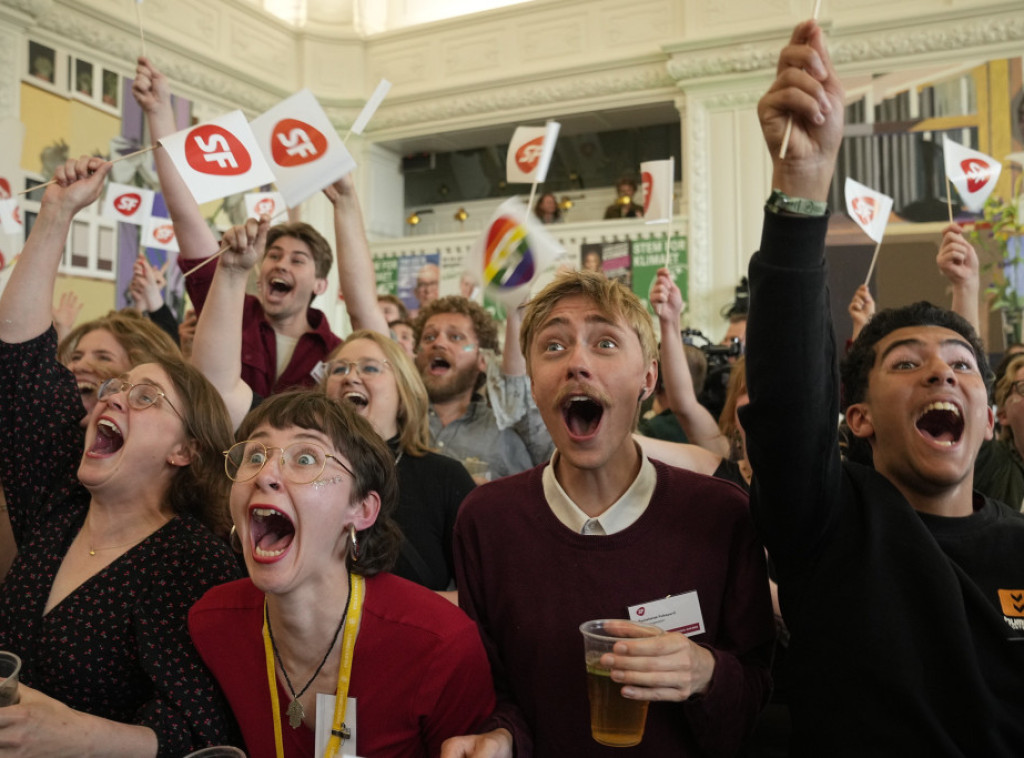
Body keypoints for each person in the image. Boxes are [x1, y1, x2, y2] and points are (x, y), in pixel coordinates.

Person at [745, 19, 1024, 755]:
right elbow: (789, 398)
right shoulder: (828, 522)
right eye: (906, 362)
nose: (941, 372)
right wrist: (801, 187)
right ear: (859, 418)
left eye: (962, 365)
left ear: (988, 420)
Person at [443, 269, 774, 757]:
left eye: (605, 343)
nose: (577, 363)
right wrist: (500, 738)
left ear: (648, 378)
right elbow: (495, 692)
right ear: (532, 383)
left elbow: (757, 697)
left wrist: (706, 673)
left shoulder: (720, 515)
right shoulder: (488, 521)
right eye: (554, 346)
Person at [0, 155, 240, 756]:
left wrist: (76, 736)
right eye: (115, 387)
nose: (114, 397)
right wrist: (55, 214)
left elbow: (201, 734)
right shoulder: (59, 503)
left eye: (146, 397)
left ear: (186, 450)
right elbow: (21, 361)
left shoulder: (196, 565)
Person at [188, 391, 496, 758]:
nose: (264, 474)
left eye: (305, 458)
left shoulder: (440, 644)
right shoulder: (211, 624)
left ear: (362, 509)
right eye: (255, 456)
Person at [133, 57, 348, 396]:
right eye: (274, 255)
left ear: (320, 284)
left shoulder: (337, 353)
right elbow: (185, 214)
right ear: (259, 273)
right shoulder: (229, 309)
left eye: (297, 260)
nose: (281, 264)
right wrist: (159, 112)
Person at [414, 296, 533, 478]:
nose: (438, 343)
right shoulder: (399, 418)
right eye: (429, 337)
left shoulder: (503, 433)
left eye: (455, 337)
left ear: (482, 359)